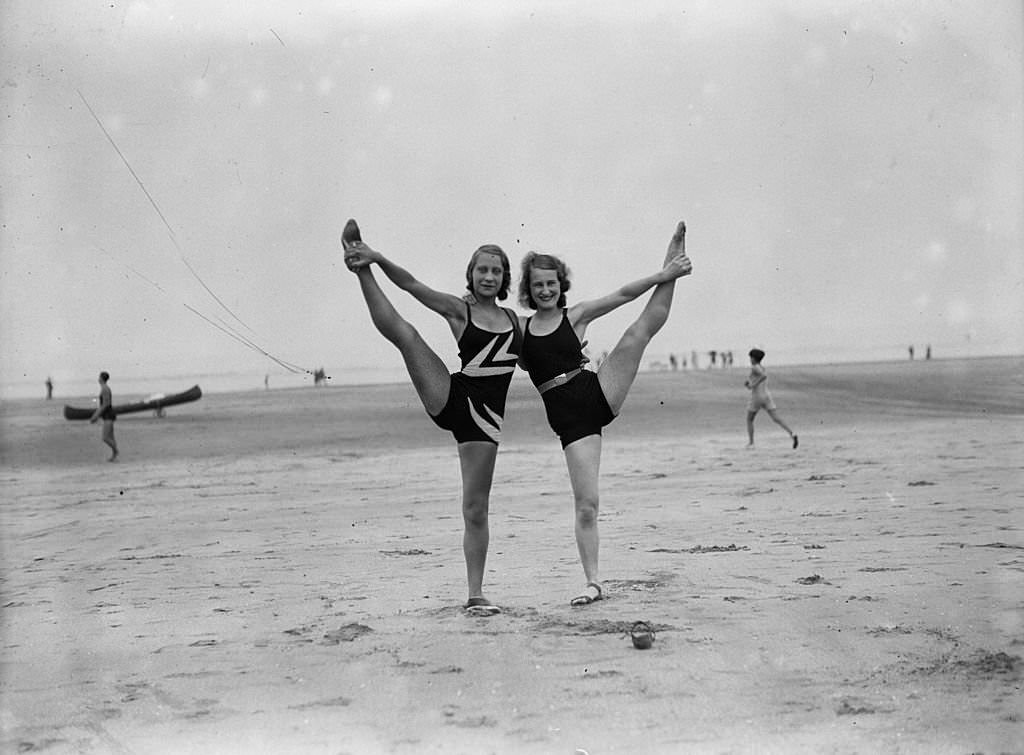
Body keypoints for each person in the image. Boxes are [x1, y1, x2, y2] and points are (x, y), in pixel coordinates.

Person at [341, 219, 522, 616]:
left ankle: (475, 594)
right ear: (471, 276)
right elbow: (411, 286)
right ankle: (361, 269)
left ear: (505, 277)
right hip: (451, 394)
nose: (488, 276)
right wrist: (377, 258)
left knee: (476, 508)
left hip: (484, 422)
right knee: (405, 335)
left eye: (496, 270)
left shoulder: (516, 325)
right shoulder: (459, 310)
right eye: (482, 270)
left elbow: (546, 350)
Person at [517, 221, 691, 607]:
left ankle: (673, 265)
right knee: (587, 503)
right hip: (571, 422)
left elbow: (624, 294)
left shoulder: (575, 315)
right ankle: (593, 582)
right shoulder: (521, 331)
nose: (545, 290)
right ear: (527, 290)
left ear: (561, 284)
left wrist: (665, 273)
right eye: (537, 285)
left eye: (551, 283)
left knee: (638, 332)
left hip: (596, 390)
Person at [744, 348, 797, 449]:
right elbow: (758, 378)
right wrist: (749, 385)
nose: (750, 359)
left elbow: (763, 376)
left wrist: (752, 385)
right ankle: (792, 433)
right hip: (766, 396)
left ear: (754, 358)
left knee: (749, 419)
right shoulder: (761, 367)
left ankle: (751, 443)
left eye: (750, 357)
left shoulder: (755, 367)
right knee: (776, 418)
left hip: (757, 397)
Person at [89, 371, 118, 461]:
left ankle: (116, 451)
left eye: (99, 377)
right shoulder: (104, 388)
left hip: (108, 415)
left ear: (101, 378)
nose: (98, 378)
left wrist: (96, 415)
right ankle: (114, 456)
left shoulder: (105, 389)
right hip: (108, 414)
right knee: (111, 437)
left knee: (105, 437)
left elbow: (105, 404)